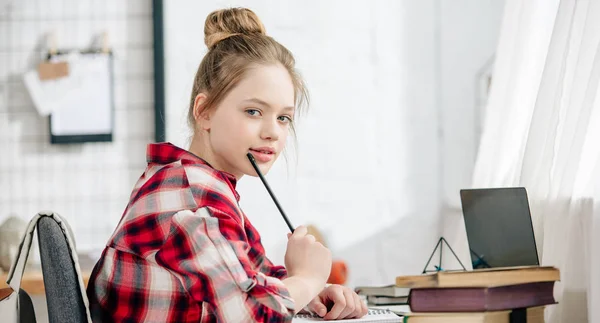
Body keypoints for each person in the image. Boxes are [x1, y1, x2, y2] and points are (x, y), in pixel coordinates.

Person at [86, 7, 368, 322]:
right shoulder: (193, 200)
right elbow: (253, 315)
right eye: (253, 111)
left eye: (283, 117)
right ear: (204, 111)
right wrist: (305, 279)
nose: (272, 131)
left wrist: (309, 293)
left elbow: (245, 278)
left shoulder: (196, 184)